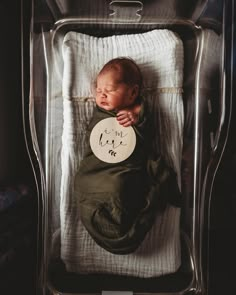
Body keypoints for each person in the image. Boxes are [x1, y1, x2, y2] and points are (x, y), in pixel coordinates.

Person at [74, 57, 181, 254]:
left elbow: (147, 136)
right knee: (82, 181)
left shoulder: (138, 113)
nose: (102, 95)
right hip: (94, 173)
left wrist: (136, 117)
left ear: (132, 93)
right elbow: (92, 136)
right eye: (98, 90)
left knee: (119, 186)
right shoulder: (102, 114)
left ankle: (121, 227)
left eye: (111, 90)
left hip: (118, 174)